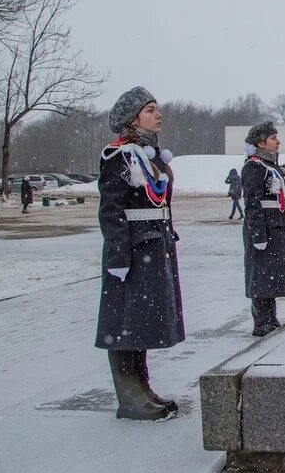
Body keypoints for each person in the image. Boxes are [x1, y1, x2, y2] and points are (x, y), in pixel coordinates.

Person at [97, 86, 184, 421]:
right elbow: (111, 211)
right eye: (150, 109)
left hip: (153, 244)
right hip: (132, 251)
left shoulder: (149, 155)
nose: (158, 114)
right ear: (132, 118)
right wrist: (118, 257)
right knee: (125, 323)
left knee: (142, 323)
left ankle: (142, 387)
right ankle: (129, 396)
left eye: (157, 108)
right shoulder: (118, 156)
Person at [242, 121, 285, 337]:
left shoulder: (270, 166)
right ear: (261, 142)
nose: (278, 142)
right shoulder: (253, 167)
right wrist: (258, 235)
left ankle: (271, 317)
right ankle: (261, 321)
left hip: (276, 225)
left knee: (272, 275)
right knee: (261, 276)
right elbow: (252, 203)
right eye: (273, 138)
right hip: (264, 229)